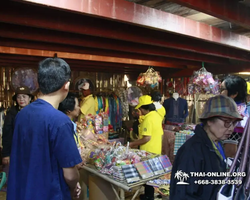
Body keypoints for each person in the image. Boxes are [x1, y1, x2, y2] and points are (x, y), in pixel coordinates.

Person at [7, 58, 82, 200]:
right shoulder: (60, 121)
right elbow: (70, 174)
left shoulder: (22, 114)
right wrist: (74, 186)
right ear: (66, 85)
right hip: (49, 194)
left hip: (23, 191)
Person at [170, 95, 242, 200]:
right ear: (209, 120)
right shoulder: (191, 151)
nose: (231, 128)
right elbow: (182, 194)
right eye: (227, 122)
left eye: (234, 123)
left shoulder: (217, 144)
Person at [129, 95, 164, 200]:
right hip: (156, 150)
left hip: (147, 151)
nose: (139, 110)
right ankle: (149, 195)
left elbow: (146, 138)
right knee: (151, 176)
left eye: (140, 108)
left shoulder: (148, 119)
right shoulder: (157, 116)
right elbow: (160, 134)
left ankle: (148, 197)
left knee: (147, 176)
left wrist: (132, 144)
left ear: (145, 108)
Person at [2, 86, 34, 185]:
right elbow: (7, 133)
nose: (21, 99)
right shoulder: (11, 113)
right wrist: (6, 154)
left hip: (31, 149)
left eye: (24, 96)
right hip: (15, 149)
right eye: (19, 97)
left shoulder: (35, 112)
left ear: (30, 98)